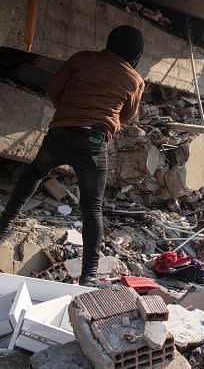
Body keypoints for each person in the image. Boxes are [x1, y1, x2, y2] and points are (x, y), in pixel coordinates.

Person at [0, 25, 145, 287]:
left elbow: (53, 90)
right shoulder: (134, 80)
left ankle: (5, 225)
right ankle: (89, 273)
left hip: (61, 133)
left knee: (34, 173)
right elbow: (126, 115)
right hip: (92, 143)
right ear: (137, 53)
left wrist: (70, 111)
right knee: (92, 206)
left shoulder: (81, 59)